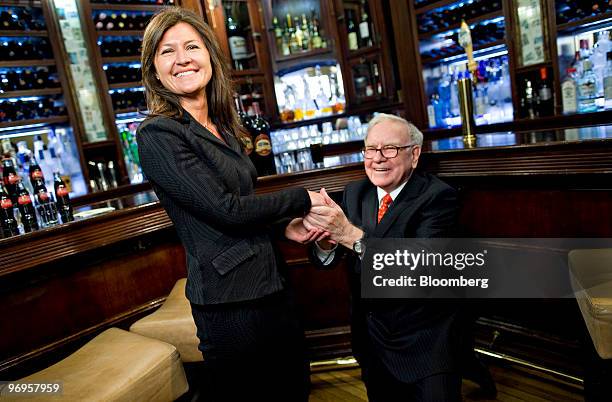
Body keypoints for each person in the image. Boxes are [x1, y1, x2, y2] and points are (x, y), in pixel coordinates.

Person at [136, 7, 326, 401]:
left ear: (209, 55)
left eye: (192, 46)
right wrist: (300, 199)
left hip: (271, 281)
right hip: (229, 301)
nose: (183, 58)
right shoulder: (158, 134)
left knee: (294, 390)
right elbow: (225, 209)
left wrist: (281, 228)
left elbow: (238, 204)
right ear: (155, 70)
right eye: (167, 52)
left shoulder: (222, 127)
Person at [301, 113, 464, 401]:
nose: (378, 158)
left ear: (414, 155)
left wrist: (349, 235)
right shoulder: (355, 193)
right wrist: (326, 243)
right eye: (371, 149)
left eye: (390, 149)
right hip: (371, 340)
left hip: (424, 343)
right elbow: (326, 258)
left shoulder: (438, 197)